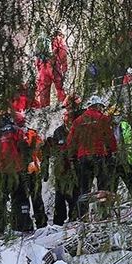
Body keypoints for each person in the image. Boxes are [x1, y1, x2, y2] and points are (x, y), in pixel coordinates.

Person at [66, 95, 117, 218]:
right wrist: (113, 151)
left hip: (83, 158)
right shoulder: (102, 118)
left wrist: (72, 156)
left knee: (85, 188)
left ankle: (83, 215)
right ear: (98, 106)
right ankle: (104, 213)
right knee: (103, 187)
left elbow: (71, 141)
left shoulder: (78, 121)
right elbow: (109, 137)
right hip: (99, 156)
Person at [43, 96, 82, 225]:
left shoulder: (79, 128)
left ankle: (75, 217)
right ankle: (58, 221)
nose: (67, 117)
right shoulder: (58, 132)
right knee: (60, 196)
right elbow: (54, 150)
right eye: (65, 115)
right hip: (61, 168)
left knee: (75, 194)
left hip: (75, 167)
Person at [0, 115, 32, 232]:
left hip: (1, 172)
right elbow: (25, 148)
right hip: (16, 170)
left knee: (1, 201)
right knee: (20, 199)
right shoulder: (16, 131)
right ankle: (22, 226)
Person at [35, 29, 68, 108]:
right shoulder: (59, 40)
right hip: (54, 67)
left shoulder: (42, 41)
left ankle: (44, 110)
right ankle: (62, 107)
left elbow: (37, 57)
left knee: (44, 90)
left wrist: (39, 68)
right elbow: (63, 55)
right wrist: (64, 69)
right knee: (60, 88)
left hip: (43, 68)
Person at [23, 126, 48, 228]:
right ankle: (41, 222)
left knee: (23, 198)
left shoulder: (15, 134)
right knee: (36, 197)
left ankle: (25, 223)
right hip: (33, 169)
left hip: (22, 171)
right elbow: (41, 153)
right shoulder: (33, 134)